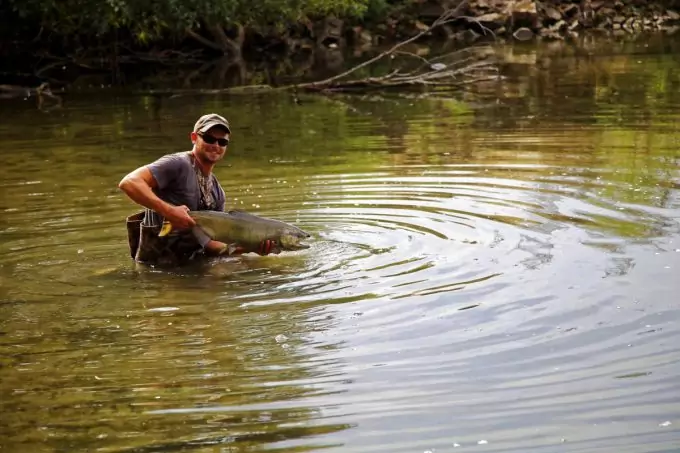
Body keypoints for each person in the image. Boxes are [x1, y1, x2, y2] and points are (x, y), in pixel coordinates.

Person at [119, 113, 275, 266]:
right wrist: (169, 211)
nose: (216, 145)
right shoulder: (177, 164)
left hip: (191, 266)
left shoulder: (217, 192)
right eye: (209, 138)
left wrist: (250, 248)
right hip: (154, 269)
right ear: (194, 137)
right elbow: (129, 182)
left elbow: (212, 245)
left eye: (222, 142)